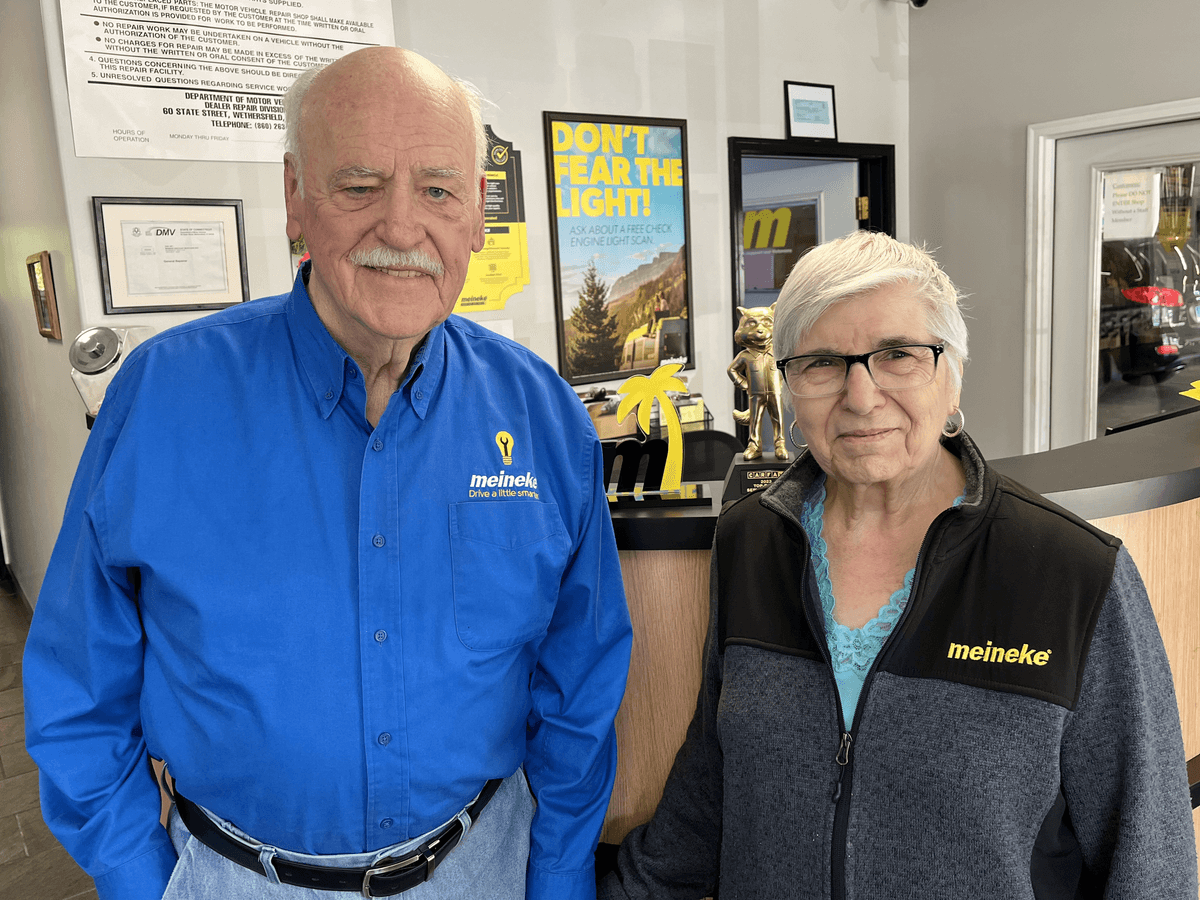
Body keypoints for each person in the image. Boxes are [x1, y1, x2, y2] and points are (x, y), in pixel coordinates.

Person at [25, 46, 632, 900]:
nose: (401, 227)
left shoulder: (541, 415)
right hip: (234, 879)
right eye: (358, 185)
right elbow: (78, 684)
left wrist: (560, 871)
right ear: (294, 202)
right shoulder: (163, 399)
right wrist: (140, 877)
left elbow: (581, 677)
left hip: (485, 867)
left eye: (438, 189)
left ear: (476, 218)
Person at [600, 231, 1197, 898]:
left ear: (952, 373)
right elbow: (713, 784)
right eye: (822, 362)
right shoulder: (753, 540)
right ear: (791, 385)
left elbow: (1150, 863)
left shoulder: (1076, 572)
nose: (861, 396)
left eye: (898, 355)